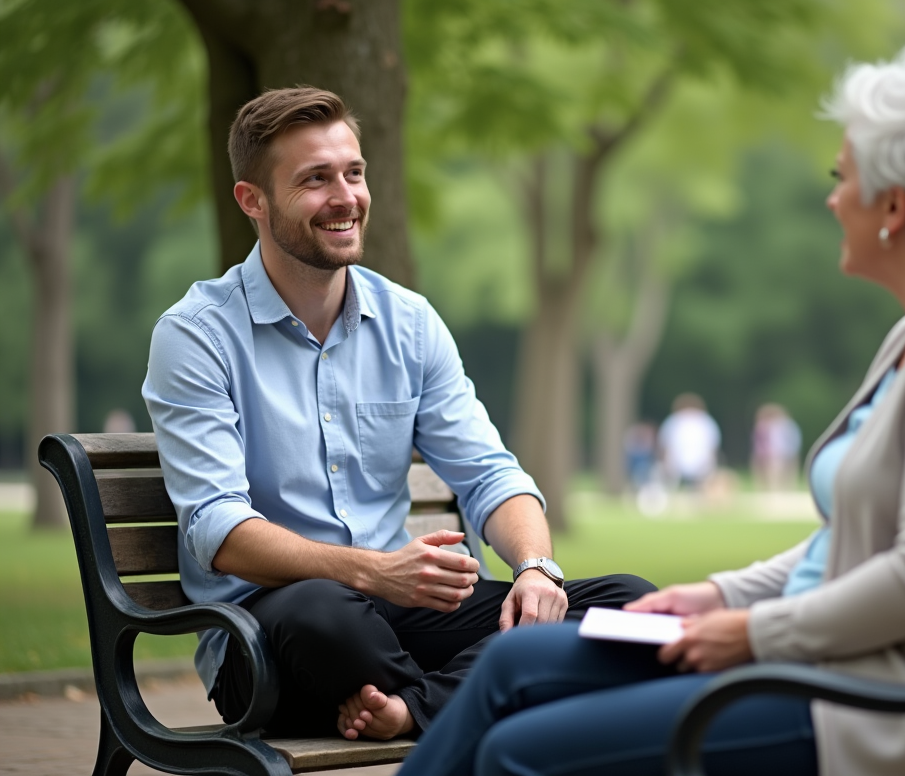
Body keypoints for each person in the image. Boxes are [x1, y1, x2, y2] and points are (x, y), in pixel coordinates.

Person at [398, 39, 905, 776]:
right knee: (516, 661)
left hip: (882, 706)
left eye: (843, 179)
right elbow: (853, 539)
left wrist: (754, 632)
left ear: (896, 206)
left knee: (519, 752)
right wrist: (717, 593)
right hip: (830, 666)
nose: (832, 199)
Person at [141, 87, 653, 743]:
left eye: (353, 173)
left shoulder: (409, 323)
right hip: (274, 636)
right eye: (315, 179)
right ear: (253, 201)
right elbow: (219, 531)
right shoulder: (198, 335)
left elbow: (490, 475)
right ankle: (487, 690)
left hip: (397, 618)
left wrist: (534, 569)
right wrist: (374, 570)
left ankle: (413, 710)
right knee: (325, 615)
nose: (345, 196)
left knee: (631, 606)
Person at [657, 393, 721, 489]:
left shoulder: (674, 421)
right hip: (683, 463)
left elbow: (665, 444)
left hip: (694, 463)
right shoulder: (705, 421)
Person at [751, 403, 802, 491]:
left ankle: (782, 489)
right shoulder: (765, 425)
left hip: (781, 451)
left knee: (781, 472)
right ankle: (772, 489)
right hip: (772, 452)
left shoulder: (784, 425)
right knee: (772, 472)